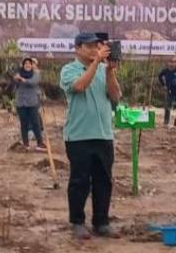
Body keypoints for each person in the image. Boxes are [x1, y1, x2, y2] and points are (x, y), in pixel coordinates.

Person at [60, 32, 122, 240]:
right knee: (79, 180)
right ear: (78, 48)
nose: (95, 49)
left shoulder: (104, 69)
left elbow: (115, 95)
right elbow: (79, 86)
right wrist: (96, 63)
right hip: (78, 136)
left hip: (103, 135)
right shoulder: (69, 70)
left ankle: (101, 222)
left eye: (97, 45)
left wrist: (110, 70)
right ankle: (77, 222)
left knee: (104, 180)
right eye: (90, 46)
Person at [14, 57, 45, 151]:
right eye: (25, 64)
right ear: (23, 65)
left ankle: (40, 143)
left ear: (32, 65)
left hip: (32, 102)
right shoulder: (18, 73)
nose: (27, 65)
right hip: (21, 102)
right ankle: (26, 144)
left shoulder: (36, 74)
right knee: (24, 124)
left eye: (29, 63)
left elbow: (32, 82)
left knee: (36, 123)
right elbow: (14, 80)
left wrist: (22, 79)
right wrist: (17, 78)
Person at [158, 58, 176, 126]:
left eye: (173, 62)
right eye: (170, 62)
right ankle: (166, 121)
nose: (172, 64)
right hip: (169, 90)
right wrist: (163, 85)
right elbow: (159, 76)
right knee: (167, 106)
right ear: (168, 63)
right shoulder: (165, 71)